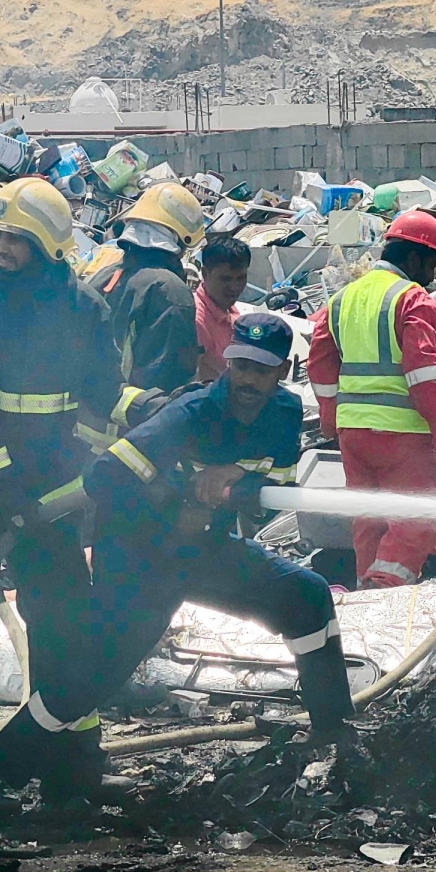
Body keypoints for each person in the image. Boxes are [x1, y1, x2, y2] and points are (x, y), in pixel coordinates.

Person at [0, 178, 145, 798]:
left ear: (49, 246)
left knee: (65, 622)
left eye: (16, 239)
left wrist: (145, 411)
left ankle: (72, 766)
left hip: (47, 500)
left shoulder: (85, 309)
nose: (1, 248)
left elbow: (103, 395)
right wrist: (8, 491)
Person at [80, 313, 354, 740]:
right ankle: (27, 750)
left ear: (284, 370)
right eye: (241, 366)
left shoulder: (284, 413)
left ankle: (336, 733)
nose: (248, 380)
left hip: (203, 551)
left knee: (308, 595)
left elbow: (275, 492)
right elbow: (103, 477)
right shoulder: (190, 413)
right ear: (228, 362)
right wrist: (180, 501)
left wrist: (239, 476)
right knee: (99, 670)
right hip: (142, 557)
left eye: (261, 370)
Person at [307, 211, 436, 589]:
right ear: (414, 258)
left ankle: (365, 593)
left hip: (353, 435)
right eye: (431, 265)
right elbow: (423, 374)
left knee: (369, 518)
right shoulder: (413, 300)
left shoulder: (341, 300)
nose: (431, 276)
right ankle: (385, 590)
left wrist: (331, 419)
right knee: (415, 517)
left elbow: (320, 366)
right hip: (401, 434)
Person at [93, 182, 205, 398]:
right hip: (139, 415)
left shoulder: (101, 276)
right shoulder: (170, 290)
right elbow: (170, 377)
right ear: (181, 240)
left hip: (88, 414)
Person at [195, 237, 251, 380]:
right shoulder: (197, 321)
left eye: (241, 278)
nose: (234, 287)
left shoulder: (228, 307)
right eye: (225, 279)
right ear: (205, 274)